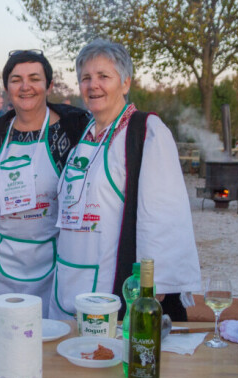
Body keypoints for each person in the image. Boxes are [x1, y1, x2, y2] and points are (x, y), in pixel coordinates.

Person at [49, 39, 201, 322]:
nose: (93, 85)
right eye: (86, 78)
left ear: (126, 83)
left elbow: (165, 214)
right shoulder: (84, 134)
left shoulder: (146, 132)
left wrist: (154, 285)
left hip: (111, 278)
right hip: (70, 276)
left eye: (103, 76)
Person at [0, 50, 90, 315]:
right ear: (7, 88)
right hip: (2, 265)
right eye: (16, 79)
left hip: (54, 266)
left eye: (34, 78)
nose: (25, 86)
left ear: (49, 85)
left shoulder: (73, 131)